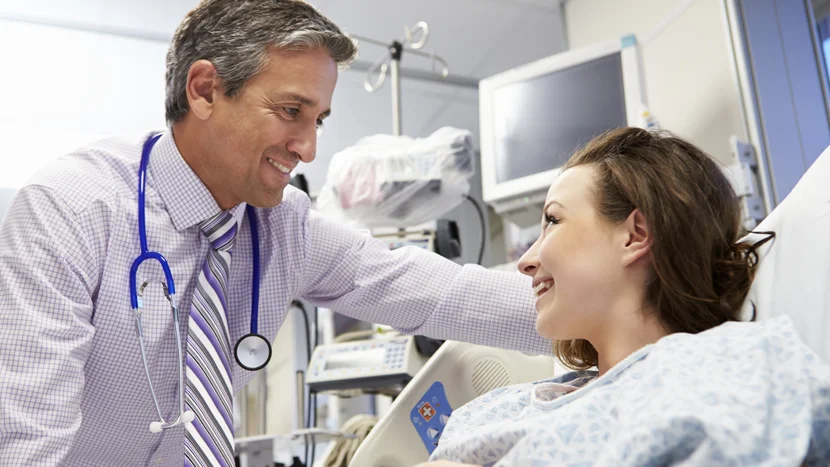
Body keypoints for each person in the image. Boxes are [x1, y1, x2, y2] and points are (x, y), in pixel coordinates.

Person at [0, 1, 550, 465]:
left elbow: (435, 293)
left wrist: (615, 309)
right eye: (291, 111)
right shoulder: (70, 210)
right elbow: (29, 443)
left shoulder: (283, 228)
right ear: (205, 89)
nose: (308, 148)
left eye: (319, 121)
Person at [419, 127, 830, 466]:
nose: (526, 261)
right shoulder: (500, 406)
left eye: (552, 220)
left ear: (635, 235)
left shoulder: (733, 368)